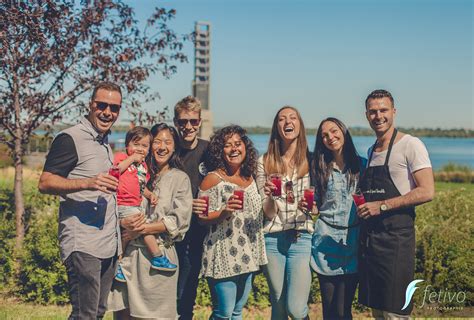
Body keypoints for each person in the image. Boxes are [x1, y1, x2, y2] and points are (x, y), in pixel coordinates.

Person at [38, 81, 122, 319]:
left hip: (107, 244)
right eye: (102, 105)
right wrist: (87, 182)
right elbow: (45, 182)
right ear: (90, 104)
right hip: (83, 243)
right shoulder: (69, 138)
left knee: (97, 312)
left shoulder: (103, 141)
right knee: (85, 314)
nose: (107, 112)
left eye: (114, 108)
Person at [357, 89, 434, 319]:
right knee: (377, 312)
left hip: (396, 243)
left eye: (383, 110)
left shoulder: (411, 144)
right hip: (371, 243)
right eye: (373, 111)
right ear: (366, 115)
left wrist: (381, 205)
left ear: (394, 112)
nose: (378, 116)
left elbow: (427, 191)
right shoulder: (372, 151)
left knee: (395, 313)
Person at [108, 123, 192, 319]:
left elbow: (179, 221)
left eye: (168, 142)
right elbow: (114, 203)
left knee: (155, 315)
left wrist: (141, 228)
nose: (162, 147)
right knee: (123, 314)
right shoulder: (136, 172)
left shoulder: (180, 178)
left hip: (158, 257)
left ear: (175, 147)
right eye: (157, 142)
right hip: (127, 255)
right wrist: (123, 224)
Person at [194, 125, 267, 320]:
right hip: (222, 253)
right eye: (228, 145)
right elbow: (201, 219)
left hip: (249, 254)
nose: (234, 149)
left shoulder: (250, 176)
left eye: (238, 143)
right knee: (223, 313)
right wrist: (223, 212)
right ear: (220, 150)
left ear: (245, 147)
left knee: (236, 312)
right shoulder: (211, 179)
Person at [256, 106, 313, 320]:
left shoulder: (313, 160)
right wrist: (270, 196)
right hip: (272, 239)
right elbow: (268, 213)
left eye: (292, 118)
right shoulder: (264, 162)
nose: (287, 122)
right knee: (278, 306)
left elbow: (317, 206)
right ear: (276, 127)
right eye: (281, 119)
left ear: (299, 125)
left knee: (296, 308)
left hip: (301, 237)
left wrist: (312, 207)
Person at [307, 118, 366, 320]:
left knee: (343, 311)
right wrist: (309, 207)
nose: (330, 137)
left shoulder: (362, 166)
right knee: (330, 310)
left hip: (353, 242)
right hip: (326, 242)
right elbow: (315, 203)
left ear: (343, 131)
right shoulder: (318, 167)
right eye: (324, 135)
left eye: (334, 131)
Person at [113, 126, 177, 284]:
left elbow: (141, 187)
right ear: (127, 145)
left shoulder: (143, 167)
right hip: (123, 202)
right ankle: (157, 257)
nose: (139, 149)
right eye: (136, 144)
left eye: (144, 146)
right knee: (144, 226)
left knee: (126, 237)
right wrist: (131, 159)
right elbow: (115, 170)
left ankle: (116, 264)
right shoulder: (122, 158)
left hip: (135, 204)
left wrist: (150, 195)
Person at [173, 96, 210, 319]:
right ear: (176, 122)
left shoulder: (209, 151)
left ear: (199, 122)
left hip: (199, 231)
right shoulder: (169, 150)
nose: (188, 127)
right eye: (183, 121)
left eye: (193, 122)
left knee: (188, 292)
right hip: (171, 232)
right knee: (170, 291)